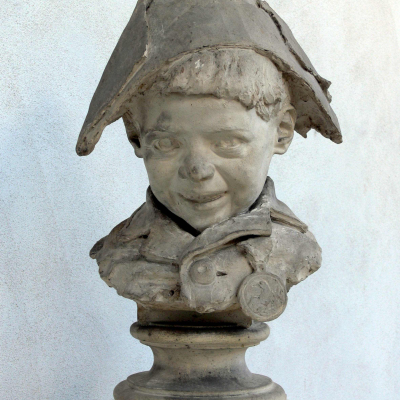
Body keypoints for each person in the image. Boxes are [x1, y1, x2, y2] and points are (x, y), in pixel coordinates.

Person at [78, 0, 341, 327]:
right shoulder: (122, 252)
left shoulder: (293, 248)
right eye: (166, 144)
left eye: (227, 142)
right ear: (136, 135)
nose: (198, 170)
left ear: (282, 131)